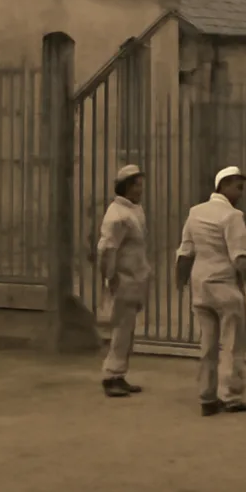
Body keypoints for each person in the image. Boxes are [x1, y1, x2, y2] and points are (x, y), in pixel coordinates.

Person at [176, 166, 246, 417]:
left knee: (208, 345)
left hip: (201, 288)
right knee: (232, 344)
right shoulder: (232, 216)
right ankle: (232, 396)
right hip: (224, 287)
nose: (240, 193)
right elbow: (241, 258)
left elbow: (185, 252)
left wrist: (179, 281)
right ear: (222, 186)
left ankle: (207, 397)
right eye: (238, 187)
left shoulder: (195, 212)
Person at [97, 164, 152, 398]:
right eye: (137, 185)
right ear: (126, 187)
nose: (140, 189)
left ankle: (119, 374)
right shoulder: (117, 215)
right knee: (121, 331)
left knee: (127, 331)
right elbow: (106, 250)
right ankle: (111, 376)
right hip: (123, 280)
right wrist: (110, 278)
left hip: (134, 279)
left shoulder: (132, 210)